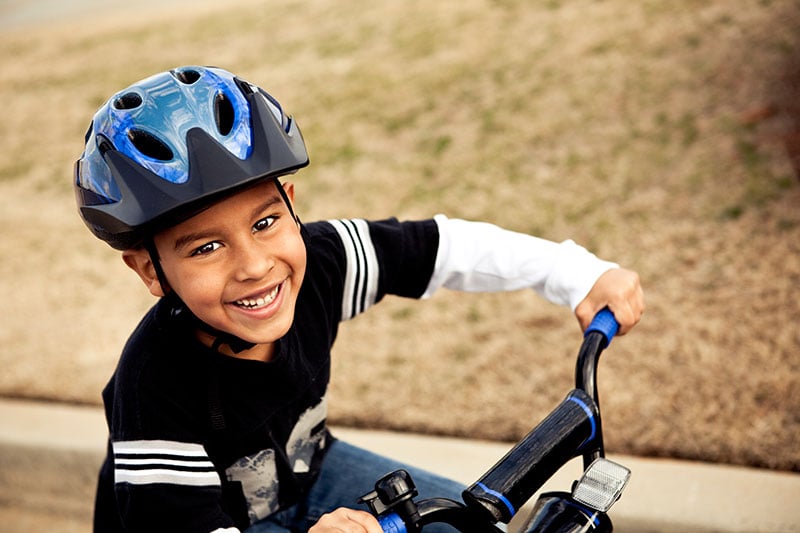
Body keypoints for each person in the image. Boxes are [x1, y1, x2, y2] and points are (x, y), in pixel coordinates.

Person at [74, 66, 644, 533]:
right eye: (206, 249)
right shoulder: (152, 385)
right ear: (151, 269)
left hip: (313, 475)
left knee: (472, 528)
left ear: (291, 202)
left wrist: (576, 272)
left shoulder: (319, 263)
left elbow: (443, 249)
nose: (254, 266)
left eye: (267, 221)